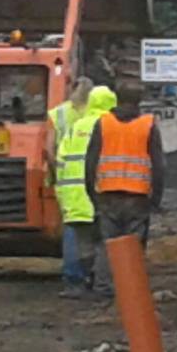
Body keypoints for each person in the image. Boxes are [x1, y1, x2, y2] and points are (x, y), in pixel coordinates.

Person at [85, 79, 165, 297]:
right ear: (139, 100)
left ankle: (103, 288)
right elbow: (159, 165)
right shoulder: (147, 125)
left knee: (106, 244)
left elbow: (90, 162)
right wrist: (155, 199)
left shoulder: (103, 124)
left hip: (107, 195)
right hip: (137, 197)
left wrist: (92, 194)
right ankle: (131, 291)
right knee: (135, 246)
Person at [54, 86, 116, 299]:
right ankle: (99, 284)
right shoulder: (111, 126)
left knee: (82, 243)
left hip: (75, 196)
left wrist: (62, 195)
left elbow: (61, 161)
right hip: (102, 195)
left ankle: (77, 284)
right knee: (105, 243)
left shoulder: (76, 126)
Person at [47, 76, 93, 297]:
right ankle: (94, 276)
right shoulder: (96, 116)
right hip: (96, 180)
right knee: (96, 231)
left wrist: (58, 172)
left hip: (68, 182)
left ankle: (73, 279)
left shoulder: (59, 113)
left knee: (72, 230)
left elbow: (49, 149)